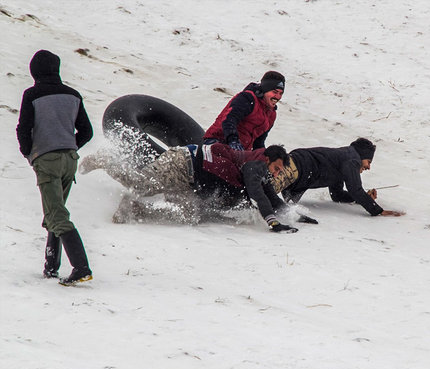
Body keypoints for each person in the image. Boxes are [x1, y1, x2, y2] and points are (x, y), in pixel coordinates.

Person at [80, 142, 306, 232]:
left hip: (190, 180)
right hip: (182, 163)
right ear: (268, 159)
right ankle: (104, 160)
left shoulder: (260, 168)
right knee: (140, 183)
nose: (276, 174)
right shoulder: (255, 164)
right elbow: (258, 194)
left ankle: (134, 209)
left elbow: (269, 196)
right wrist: (272, 222)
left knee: (189, 216)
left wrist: (292, 215)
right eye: (277, 168)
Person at [16, 50, 94, 285]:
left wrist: (30, 153)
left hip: (47, 160)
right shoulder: (73, 95)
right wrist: (70, 146)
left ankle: (81, 268)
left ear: (34, 71)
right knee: (55, 211)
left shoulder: (32, 94)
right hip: (69, 160)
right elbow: (87, 132)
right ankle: (51, 267)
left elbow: (23, 128)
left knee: (57, 215)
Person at [271, 138, 404, 217]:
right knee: (260, 192)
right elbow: (355, 189)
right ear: (362, 156)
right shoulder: (352, 159)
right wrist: (378, 210)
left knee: (263, 194)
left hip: (298, 173)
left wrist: (362, 198)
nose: (368, 167)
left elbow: (337, 195)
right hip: (297, 166)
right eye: (369, 162)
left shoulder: (341, 161)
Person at [204, 71, 285, 151]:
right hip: (216, 141)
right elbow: (229, 120)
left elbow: (258, 142)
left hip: (241, 151)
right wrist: (233, 141)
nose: (277, 97)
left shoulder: (271, 114)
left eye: (281, 93)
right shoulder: (247, 98)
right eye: (274, 92)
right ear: (265, 89)